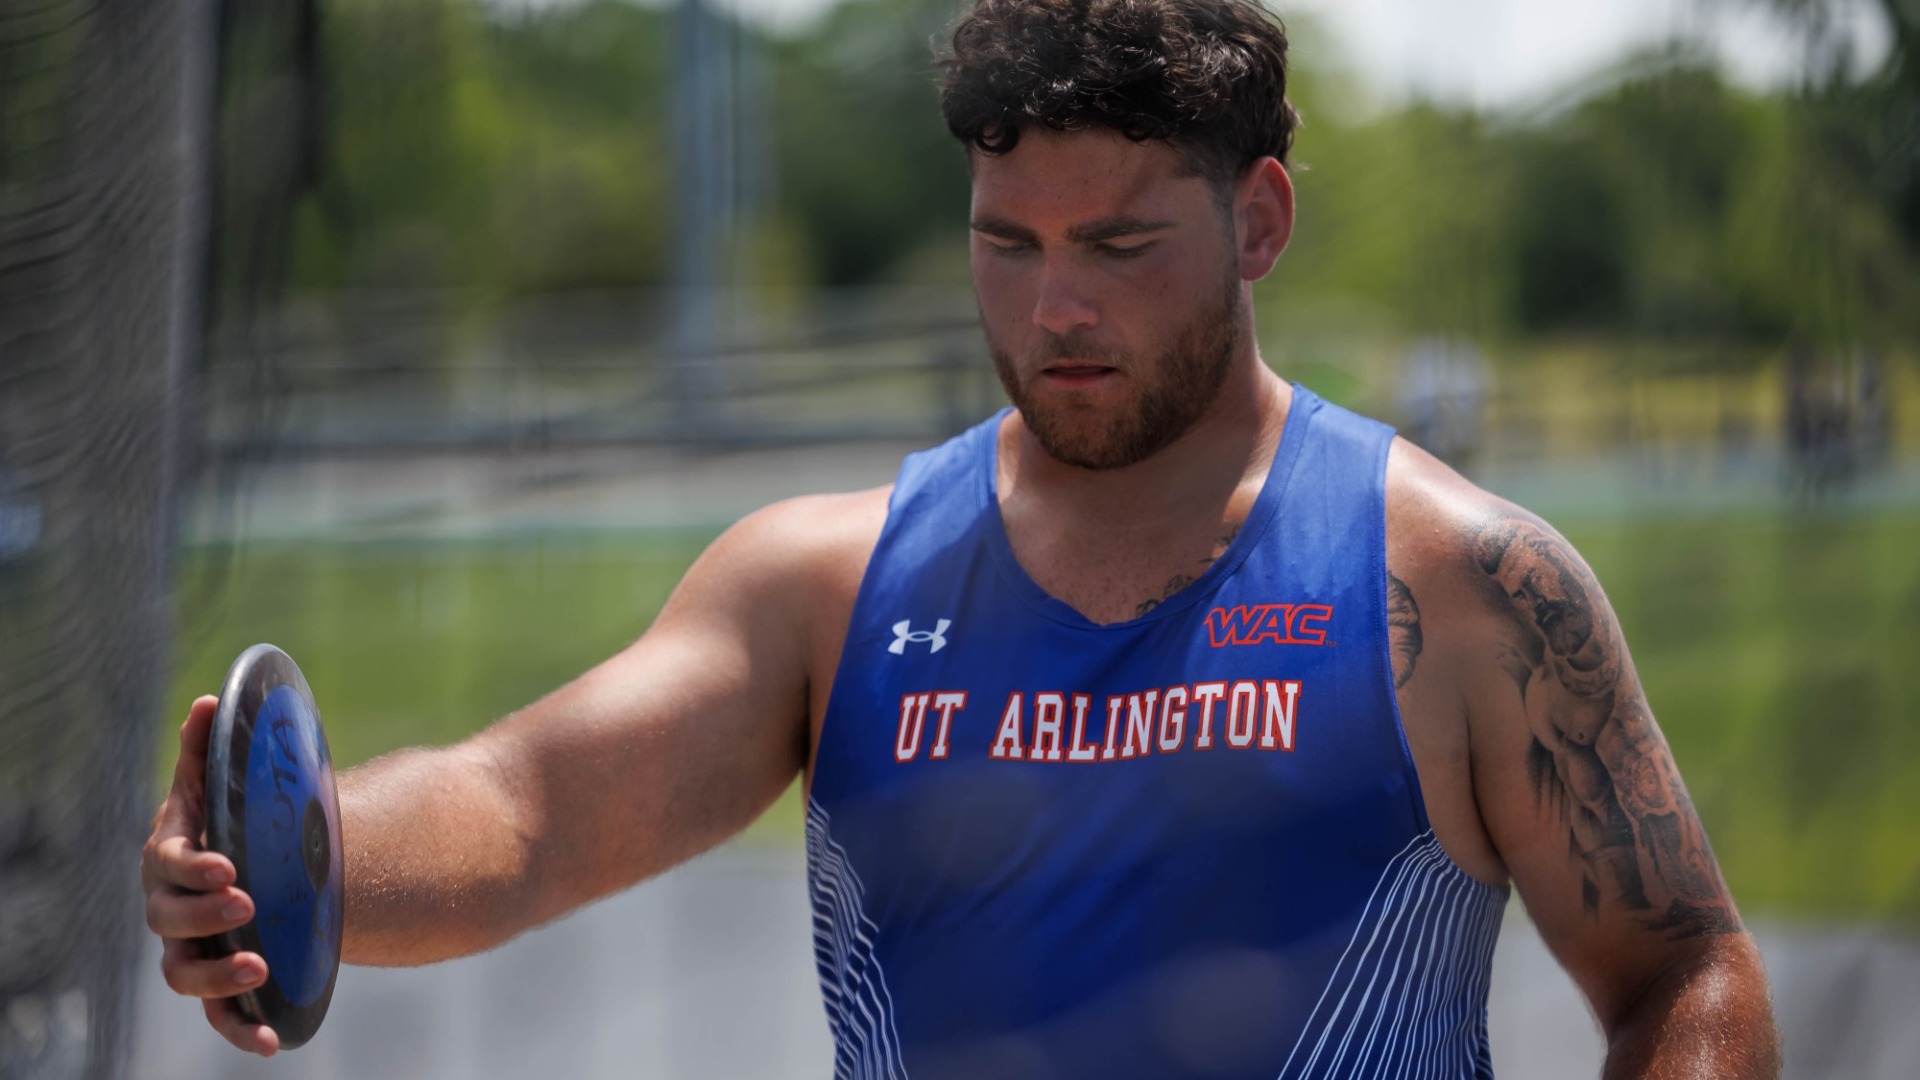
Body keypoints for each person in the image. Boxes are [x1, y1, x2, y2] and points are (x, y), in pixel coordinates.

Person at [142, 0, 1780, 1074]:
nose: (1055, 306)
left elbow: (1684, 972)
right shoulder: (830, 584)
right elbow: (525, 808)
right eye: (1009, 244)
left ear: (1259, 219)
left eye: (1121, 244)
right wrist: (301, 860)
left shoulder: (1464, 585)